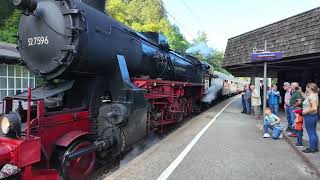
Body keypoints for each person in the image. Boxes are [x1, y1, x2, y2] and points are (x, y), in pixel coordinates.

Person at [301, 83, 319, 153]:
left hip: (310, 116)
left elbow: (314, 108)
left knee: (311, 133)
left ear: (309, 88)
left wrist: (305, 112)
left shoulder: (312, 97)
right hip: (312, 116)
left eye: (306, 87)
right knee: (313, 132)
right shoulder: (313, 95)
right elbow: (306, 98)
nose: (305, 88)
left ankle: (312, 148)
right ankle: (315, 147)